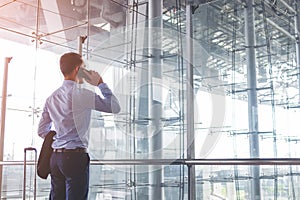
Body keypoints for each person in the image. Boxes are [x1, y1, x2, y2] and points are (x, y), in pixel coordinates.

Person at [37, 52, 121, 199]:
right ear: (77, 69)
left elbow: (42, 130)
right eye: (84, 68)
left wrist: (60, 137)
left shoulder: (52, 97)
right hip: (75, 158)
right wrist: (100, 83)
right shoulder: (81, 94)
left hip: (55, 159)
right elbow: (114, 107)